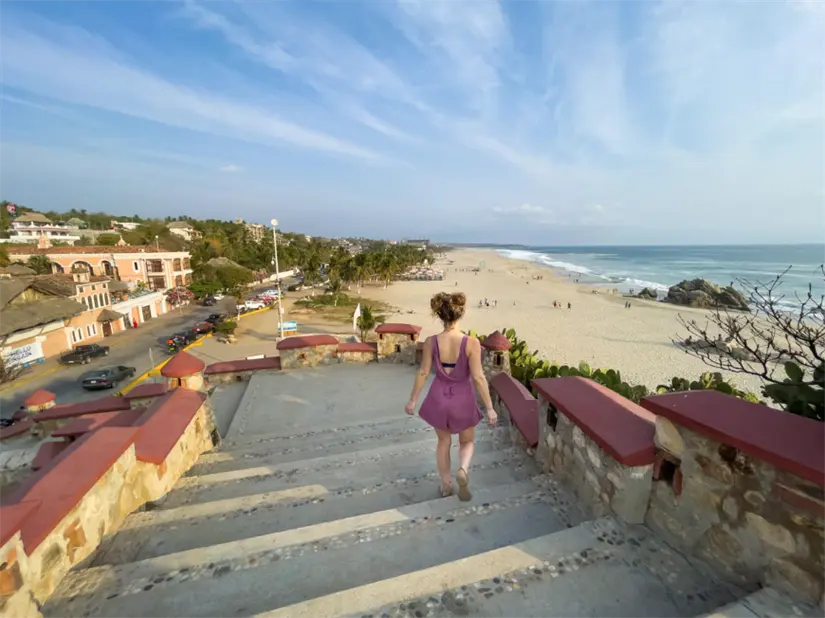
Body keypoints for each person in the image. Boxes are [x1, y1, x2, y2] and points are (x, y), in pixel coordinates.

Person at [405, 292, 497, 501]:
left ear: (440, 315)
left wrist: (413, 400)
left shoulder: (431, 342)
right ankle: (462, 469)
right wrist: (490, 407)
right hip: (463, 399)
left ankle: (446, 485)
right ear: (460, 314)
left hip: (439, 398)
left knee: (443, 442)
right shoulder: (471, 343)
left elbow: (423, 372)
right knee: (467, 441)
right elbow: (478, 377)